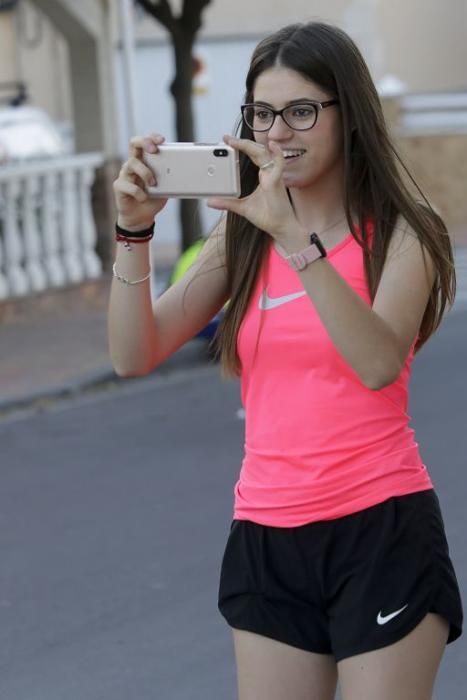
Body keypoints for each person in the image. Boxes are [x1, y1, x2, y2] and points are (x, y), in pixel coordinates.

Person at [108, 21, 463, 700]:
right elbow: (134, 353)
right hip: (266, 535)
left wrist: (294, 237)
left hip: (380, 528)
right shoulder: (242, 233)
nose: (277, 134)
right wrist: (132, 230)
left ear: (347, 113)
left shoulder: (403, 231)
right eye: (262, 113)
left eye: (300, 111)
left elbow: (376, 362)